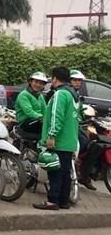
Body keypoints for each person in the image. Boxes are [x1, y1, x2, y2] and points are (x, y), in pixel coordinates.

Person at [33, 66, 79, 210]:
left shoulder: (60, 94)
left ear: (54, 78)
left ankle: (53, 201)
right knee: (65, 173)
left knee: (55, 173)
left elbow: (56, 116)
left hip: (59, 140)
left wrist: (51, 135)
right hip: (70, 140)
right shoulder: (73, 95)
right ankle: (63, 201)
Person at [69, 69, 96, 190]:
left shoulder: (77, 95)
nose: (77, 82)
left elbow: (78, 112)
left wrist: (82, 117)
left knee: (90, 142)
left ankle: (82, 171)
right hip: (68, 127)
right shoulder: (66, 94)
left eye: (79, 80)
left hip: (76, 125)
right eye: (75, 80)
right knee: (83, 143)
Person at [15, 72, 48, 137]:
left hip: (38, 121)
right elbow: (29, 111)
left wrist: (48, 118)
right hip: (26, 123)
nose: (38, 85)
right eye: (36, 82)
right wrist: (41, 118)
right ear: (30, 82)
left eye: (41, 83)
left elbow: (45, 109)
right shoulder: (24, 95)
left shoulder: (40, 96)